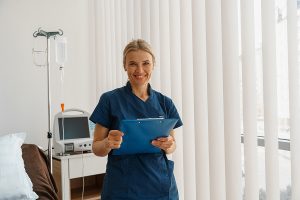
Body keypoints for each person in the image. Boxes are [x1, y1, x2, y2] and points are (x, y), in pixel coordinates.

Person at [90, 39, 183, 200]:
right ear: (124, 66)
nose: (140, 70)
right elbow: (97, 148)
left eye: (146, 63)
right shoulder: (110, 100)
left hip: (160, 186)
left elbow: (172, 145)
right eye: (132, 63)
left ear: (153, 64)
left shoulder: (165, 102)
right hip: (122, 187)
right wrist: (107, 143)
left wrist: (169, 144)